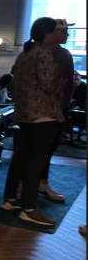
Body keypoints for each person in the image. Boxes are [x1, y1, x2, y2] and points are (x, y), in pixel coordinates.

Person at [1, 17, 64, 226]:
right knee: (35, 163)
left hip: (23, 115)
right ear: (47, 35)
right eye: (55, 31)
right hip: (42, 116)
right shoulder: (44, 53)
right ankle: (28, 208)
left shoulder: (24, 54)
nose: (58, 34)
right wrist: (62, 82)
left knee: (19, 159)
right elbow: (48, 85)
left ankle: (10, 199)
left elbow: (15, 85)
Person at [36, 19, 76, 202]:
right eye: (64, 31)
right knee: (36, 150)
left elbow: (69, 84)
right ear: (51, 33)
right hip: (38, 111)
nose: (67, 35)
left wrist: (65, 104)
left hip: (58, 110)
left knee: (49, 148)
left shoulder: (65, 54)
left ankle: (41, 183)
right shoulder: (35, 53)